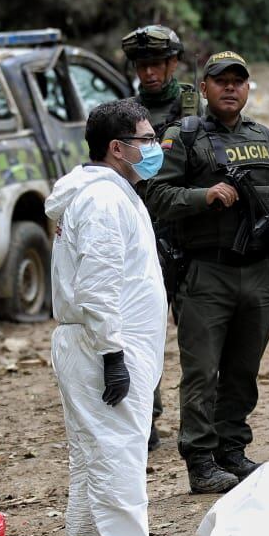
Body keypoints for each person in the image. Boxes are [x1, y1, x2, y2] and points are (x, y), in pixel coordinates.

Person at [46, 98, 191, 536]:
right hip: (103, 345)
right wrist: (112, 354)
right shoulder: (104, 202)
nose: (155, 149)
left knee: (92, 463)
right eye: (147, 140)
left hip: (98, 344)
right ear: (117, 147)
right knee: (118, 465)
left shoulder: (103, 193)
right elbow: (99, 285)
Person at [146, 50, 269, 494]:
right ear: (204, 88)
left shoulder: (265, 138)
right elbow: (156, 197)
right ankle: (200, 459)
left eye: (239, 80)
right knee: (201, 372)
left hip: (258, 274)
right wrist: (204, 196)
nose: (230, 87)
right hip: (206, 273)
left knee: (242, 370)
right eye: (221, 81)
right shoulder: (183, 136)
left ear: (248, 87)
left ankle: (231, 450)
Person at [120, 23, 199, 451]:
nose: (149, 73)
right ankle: (145, 417)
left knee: (196, 336)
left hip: (187, 230)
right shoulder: (125, 112)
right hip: (143, 231)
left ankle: (197, 426)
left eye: (157, 64)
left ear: (173, 63)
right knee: (141, 331)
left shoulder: (195, 106)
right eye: (141, 65)